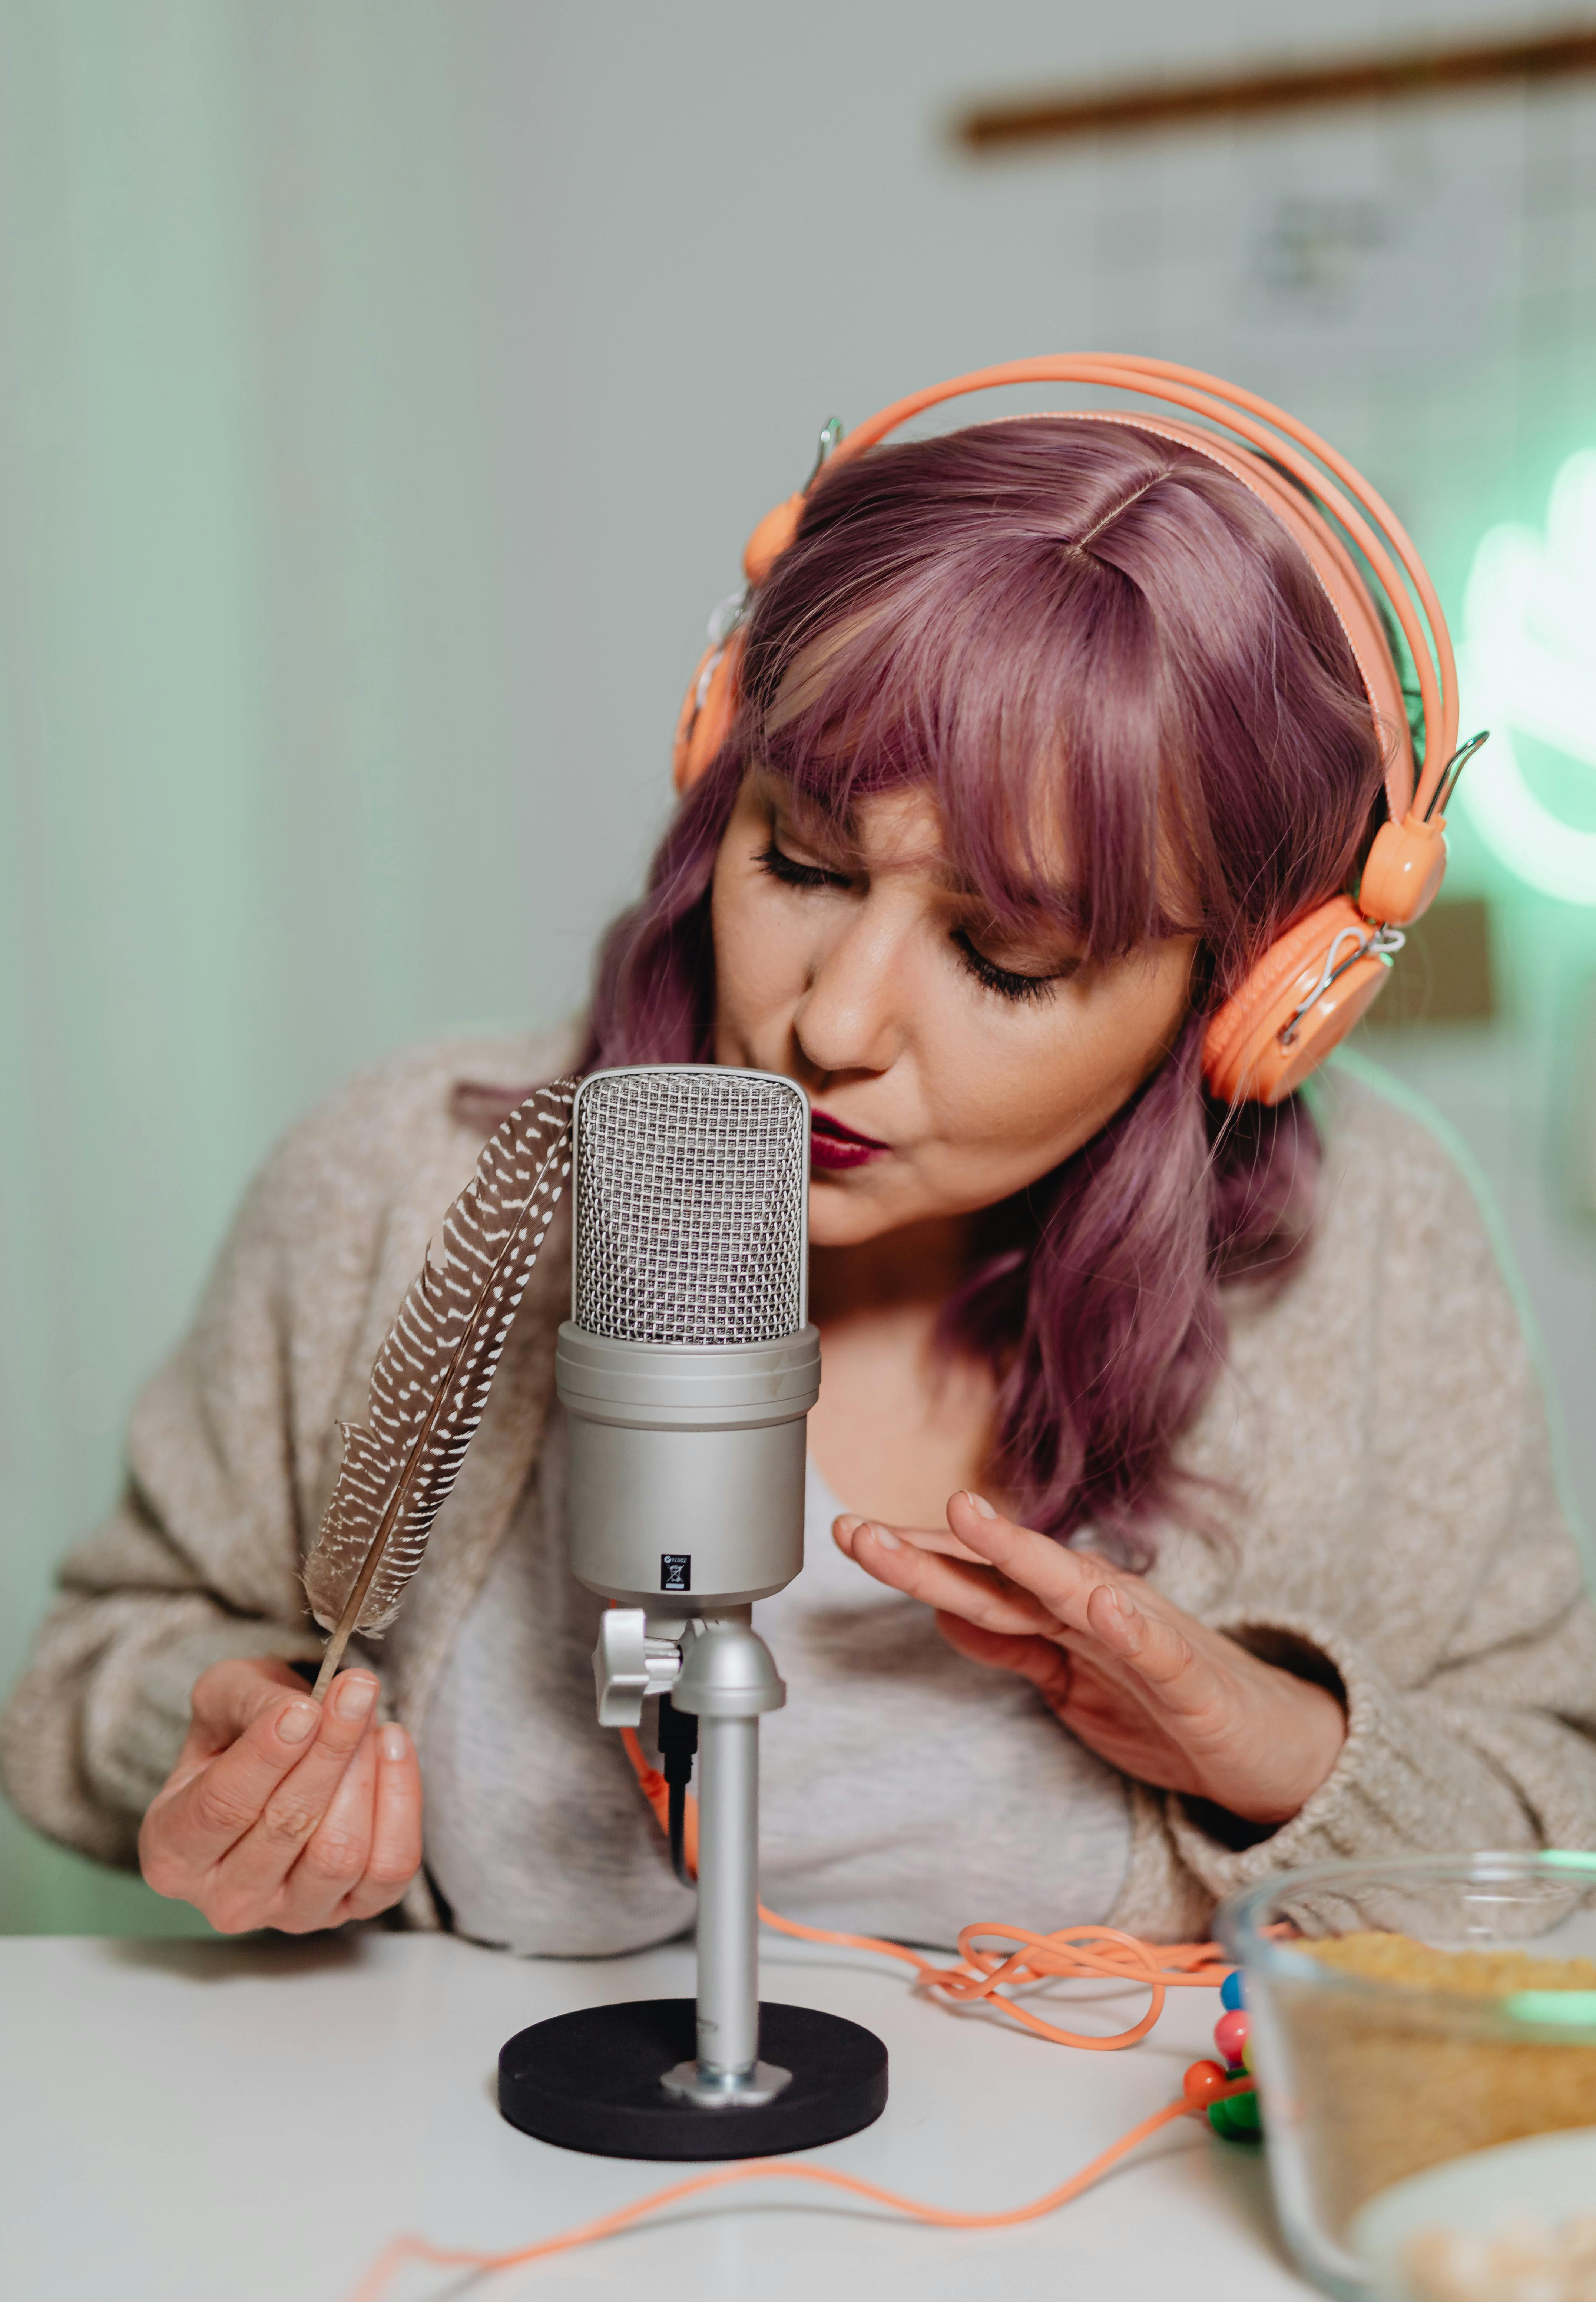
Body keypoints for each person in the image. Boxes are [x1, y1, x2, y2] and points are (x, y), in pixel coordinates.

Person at [4, 368, 1594, 1953]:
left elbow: (1559, 1808)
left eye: (1009, 959)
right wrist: (231, 1765)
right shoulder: (409, 1172)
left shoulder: (1374, 1242)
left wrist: (1273, 1748)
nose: (834, 1023)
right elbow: (89, 1674)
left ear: (1251, 1007)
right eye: (802, 862)